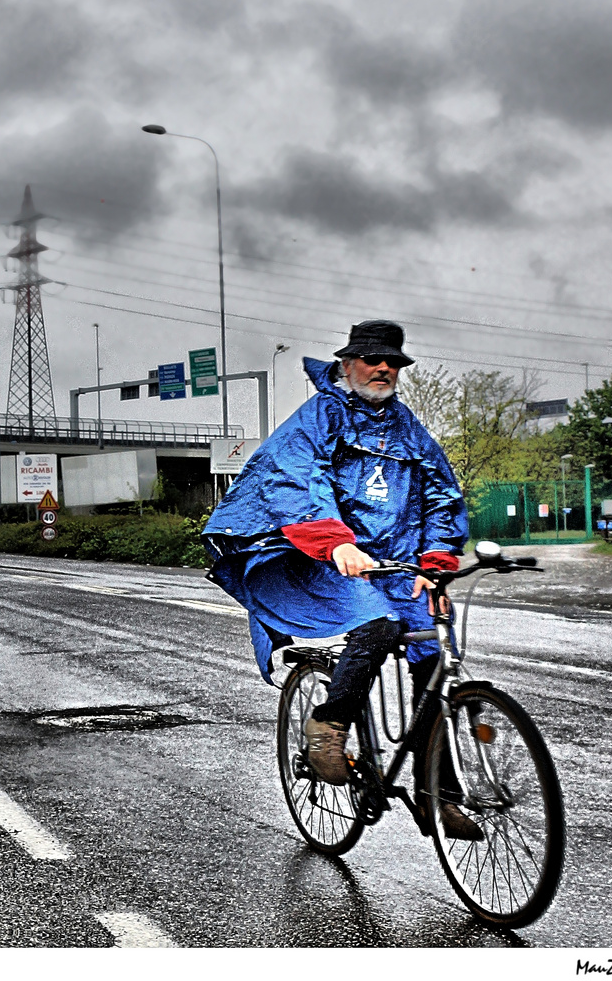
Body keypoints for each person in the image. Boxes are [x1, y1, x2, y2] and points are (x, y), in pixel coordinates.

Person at [203, 319, 481, 839]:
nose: (384, 369)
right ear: (348, 363)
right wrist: (336, 543)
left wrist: (436, 560)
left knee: (437, 654)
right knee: (377, 626)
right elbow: (297, 478)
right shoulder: (320, 417)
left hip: (399, 567)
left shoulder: (407, 428)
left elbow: (442, 496)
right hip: (327, 557)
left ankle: (436, 789)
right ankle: (328, 727)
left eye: (393, 362)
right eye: (373, 359)